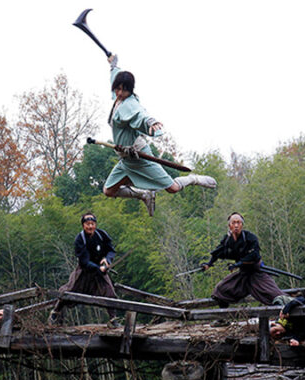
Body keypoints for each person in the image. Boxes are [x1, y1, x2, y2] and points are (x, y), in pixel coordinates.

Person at [102, 55, 217, 216]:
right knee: (109, 190)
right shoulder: (117, 98)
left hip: (140, 157)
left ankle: (193, 179)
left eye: (124, 90)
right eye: (118, 89)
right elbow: (115, 75)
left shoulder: (130, 103)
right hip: (126, 159)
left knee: (173, 188)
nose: (120, 93)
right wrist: (113, 65)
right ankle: (144, 194)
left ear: (130, 90)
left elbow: (140, 114)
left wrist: (151, 122)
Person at [201, 212, 284, 326]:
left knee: (276, 296)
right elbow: (218, 252)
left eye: (238, 223)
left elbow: (254, 255)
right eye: (233, 223)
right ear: (229, 226)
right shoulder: (227, 240)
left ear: (242, 225)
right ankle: (223, 319)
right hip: (243, 274)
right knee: (221, 290)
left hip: (256, 273)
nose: (236, 225)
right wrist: (208, 264)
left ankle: (285, 320)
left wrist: (238, 264)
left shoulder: (250, 238)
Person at [49, 212, 121, 328]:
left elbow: (111, 250)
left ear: (95, 225)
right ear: (83, 226)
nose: (90, 226)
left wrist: (107, 260)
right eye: (88, 224)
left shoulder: (102, 235)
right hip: (84, 271)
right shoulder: (80, 239)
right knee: (68, 291)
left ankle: (113, 319)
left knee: (110, 293)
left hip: (100, 271)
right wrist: (98, 268)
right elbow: (84, 261)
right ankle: (55, 312)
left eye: (92, 224)